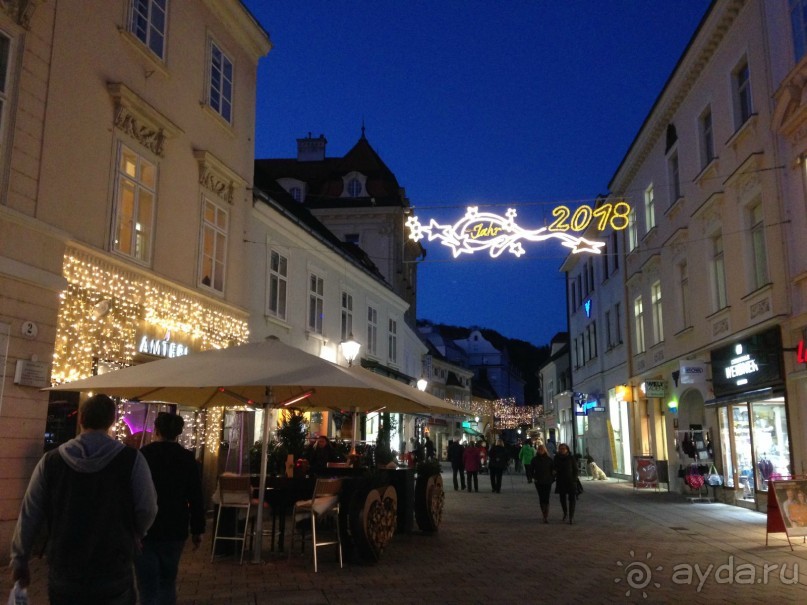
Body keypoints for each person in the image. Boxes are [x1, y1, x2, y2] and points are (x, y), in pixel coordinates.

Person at [11, 394, 158, 605]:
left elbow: (29, 513)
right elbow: (147, 508)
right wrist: (136, 532)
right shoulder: (132, 460)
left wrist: (20, 559)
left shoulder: (51, 461)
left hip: (65, 565)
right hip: (113, 564)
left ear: (81, 419)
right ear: (112, 421)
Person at [135, 412, 205, 605]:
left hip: (146, 527)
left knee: (147, 585)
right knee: (168, 581)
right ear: (178, 433)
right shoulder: (187, 458)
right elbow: (195, 495)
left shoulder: (143, 455)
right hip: (176, 525)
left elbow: (134, 491)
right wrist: (198, 529)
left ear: (156, 430)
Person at [553, 442, 579, 524]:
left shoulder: (571, 458)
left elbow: (575, 470)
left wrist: (574, 479)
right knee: (562, 499)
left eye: (563, 449)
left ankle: (571, 516)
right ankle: (565, 513)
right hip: (561, 481)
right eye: (560, 449)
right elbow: (554, 467)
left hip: (571, 481)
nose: (562, 450)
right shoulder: (556, 457)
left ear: (567, 449)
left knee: (572, 499)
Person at [530, 443, 555, 523]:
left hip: (547, 481)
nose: (541, 450)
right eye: (539, 449)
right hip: (539, 481)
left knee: (546, 497)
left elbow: (553, 470)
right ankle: (543, 513)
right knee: (541, 497)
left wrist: (552, 479)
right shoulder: (534, 459)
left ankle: (545, 515)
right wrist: (534, 477)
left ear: (545, 450)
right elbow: (531, 470)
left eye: (542, 449)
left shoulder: (549, 460)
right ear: (538, 450)